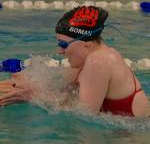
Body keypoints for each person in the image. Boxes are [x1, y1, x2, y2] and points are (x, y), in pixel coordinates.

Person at [0, 6, 149, 117]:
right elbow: (60, 91)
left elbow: (84, 114)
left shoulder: (99, 61)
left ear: (87, 43)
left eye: (64, 44)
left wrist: (33, 96)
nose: (60, 51)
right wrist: (25, 85)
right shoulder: (82, 62)